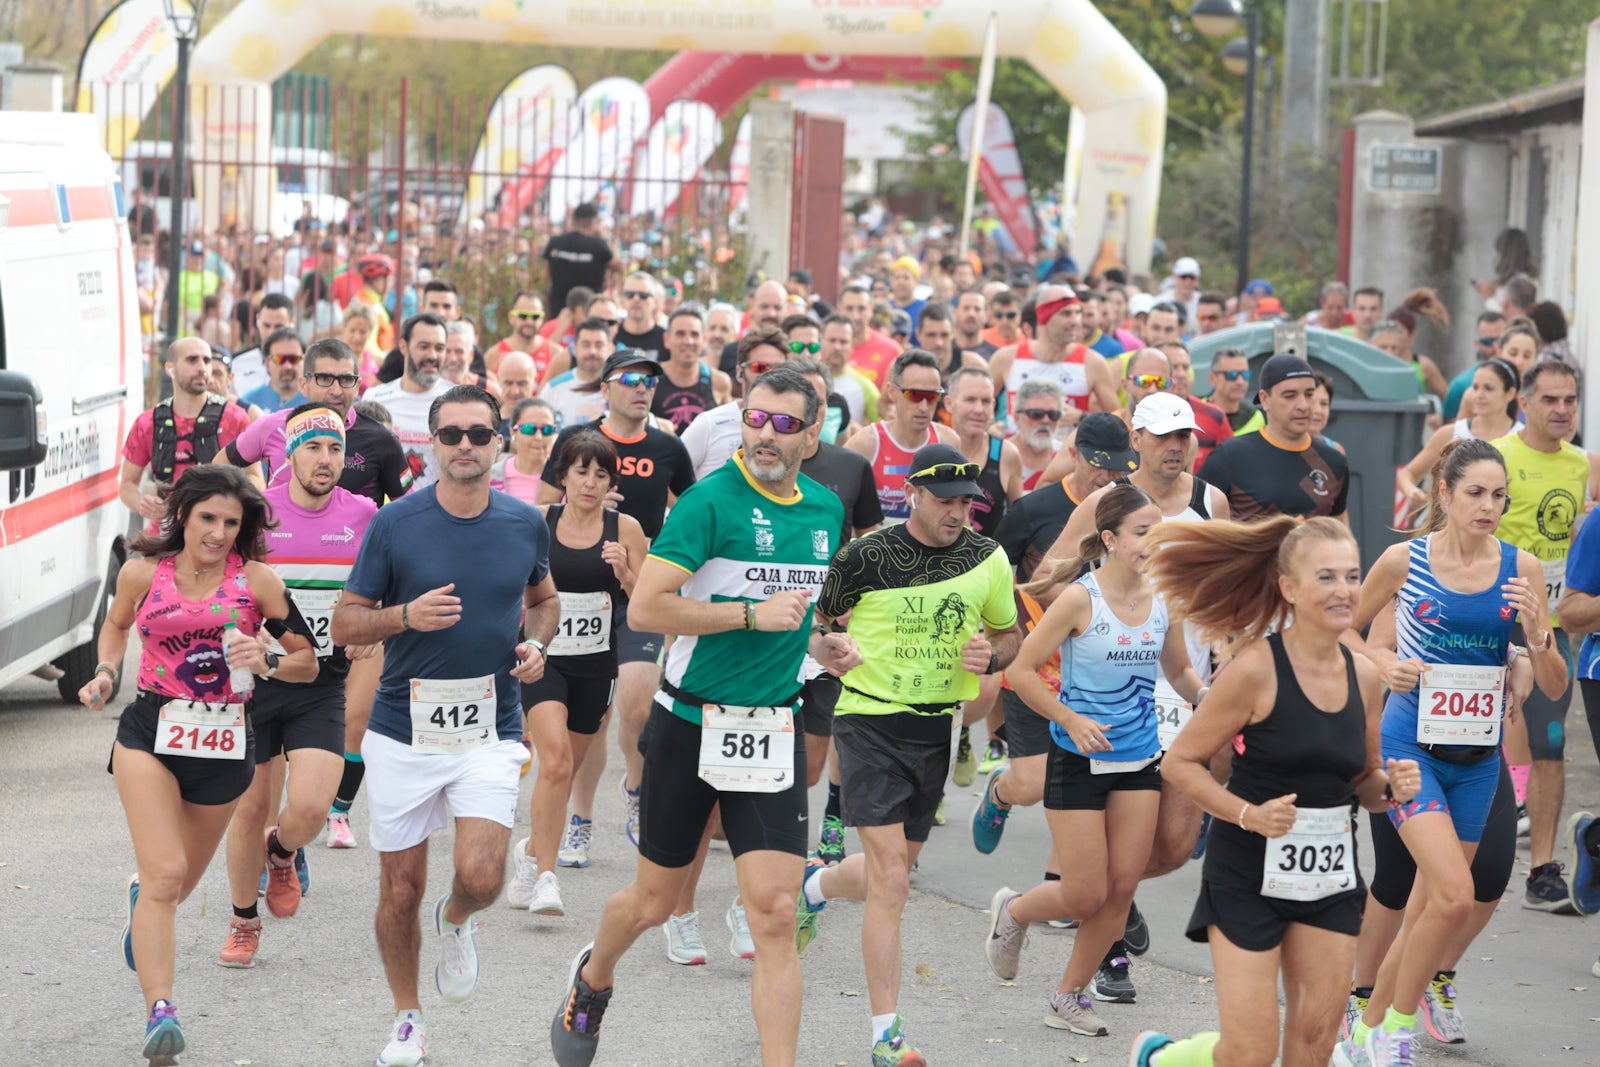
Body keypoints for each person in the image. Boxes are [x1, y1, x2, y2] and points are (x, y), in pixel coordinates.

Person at [550, 367, 846, 1067]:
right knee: (654, 900)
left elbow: (795, 614)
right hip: (689, 722)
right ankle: (594, 973)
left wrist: (821, 642)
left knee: (774, 912)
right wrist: (748, 614)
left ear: (812, 430)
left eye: (783, 422)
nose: (765, 433)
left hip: (771, 724)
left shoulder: (825, 510)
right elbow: (650, 607)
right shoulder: (710, 502)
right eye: (755, 417)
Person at [1128, 516, 1421, 1067]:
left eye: (1352, 576)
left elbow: (1365, 780)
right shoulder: (1254, 670)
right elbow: (1182, 764)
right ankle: (1165, 1059)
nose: (1345, 590)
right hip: (1246, 876)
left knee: (1312, 1045)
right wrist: (1247, 814)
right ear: (1289, 587)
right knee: (1251, 1052)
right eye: (1327, 577)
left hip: (1329, 877)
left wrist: (1393, 789)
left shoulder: (1363, 675)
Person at [331, 383, 560, 1067]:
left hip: (489, 727)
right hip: (403, 729)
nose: (465, 445)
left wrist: (537, 644)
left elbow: (543, 600)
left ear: (500, 442)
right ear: (430, 443)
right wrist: (404, 615)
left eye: (478, 434)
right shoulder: (395, 523)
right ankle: (408, 1020)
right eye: (451, 433)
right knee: (399, 887)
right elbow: (346, 622)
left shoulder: (524, 522)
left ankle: (457, 917)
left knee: (483, 874)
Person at [1330, 438, 1565, 1067]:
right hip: (1413, 753)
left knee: (1430, 909)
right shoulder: (1406, 560)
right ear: (1444, 494)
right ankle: (1397, 1032)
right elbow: (1343, 624)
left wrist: (1538, 634)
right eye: (1475, 493)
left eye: (1498, 495)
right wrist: (1383, 660)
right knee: (1455, 897)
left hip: (1477, 761)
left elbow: (1553, 686)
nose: (1489, 506)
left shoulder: (1523, 569)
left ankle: (1365, 1031)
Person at [77, 465, 318, 1065]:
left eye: (231, 522)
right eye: (208, 517)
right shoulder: (141, 573)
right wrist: (107, 673)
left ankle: (145, 903)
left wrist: (264, 659)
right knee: (164, 876)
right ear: (182, 514)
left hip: (224, 743)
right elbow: (115, 625)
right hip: (151, 732)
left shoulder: (258, 582)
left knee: (176, 886)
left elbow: (308, 662)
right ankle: (162, 1012)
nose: (218, 532)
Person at [802, 443, 1023, 1066]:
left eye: (967, 503)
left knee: (883, 875)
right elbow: (816, 624)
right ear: (916, 495)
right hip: (869, 721)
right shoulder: (866, 555)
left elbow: (1009, 633)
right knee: (893, 880)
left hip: (937, 729)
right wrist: (829, 647)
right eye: (947, 501)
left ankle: (814, 887)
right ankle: (885, 1035)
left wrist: (994, 657)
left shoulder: (987, 557)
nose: (959, 513)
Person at [983, 485, 1206, 1039]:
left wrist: (1212, 701)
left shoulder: (1164, 597)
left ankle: (1068, 997)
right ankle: (1015, 912)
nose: (1154, 541)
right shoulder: (1081, 599)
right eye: (1142, 532)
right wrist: (1072, 720)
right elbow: (1022, 672)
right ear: (1109, 539)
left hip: (1138, 760)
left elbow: (1178, 672)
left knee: (1121, 888)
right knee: (1083, 892)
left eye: (1160, 530)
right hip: (1077, 759)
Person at [218, 406, 379, 967]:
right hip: (253, 681)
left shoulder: (363, 513)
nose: (325, 460)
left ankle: (282, 851)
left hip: (320, 681)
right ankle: (243, 922)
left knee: (310, 807)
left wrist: (371, 626)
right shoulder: (258, 515)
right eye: (313, 448)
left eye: (334, 450)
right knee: (249, 807)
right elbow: (227, 581)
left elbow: (380, 582)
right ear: (289, 454)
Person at [539, 349, 696, 860]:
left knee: (638, 693)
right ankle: (580, 819)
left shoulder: (668, 447)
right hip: (578, 593)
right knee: (592, 719)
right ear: (605, 386)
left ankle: (634, 787)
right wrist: (585, 509)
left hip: (636, 589)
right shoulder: (576, 442)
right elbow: (544, 504)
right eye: (629, 378)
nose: (641, 387)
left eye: (650, 379)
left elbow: (692, 512)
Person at [506, 431, 647, 917]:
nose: (590, 482)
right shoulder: (537, 522)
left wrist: (626, 572)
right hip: (544, 658)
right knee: (558, 762)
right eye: (581, 471)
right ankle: (547, 877)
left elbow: (645, 603)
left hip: (596, 665)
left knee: (560, 774)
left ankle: (529, 852)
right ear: (562, 476)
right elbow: (513, 589)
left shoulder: (625, 528)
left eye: (600, 474)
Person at [1493, 358, 1587, 912]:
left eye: (1570, 400)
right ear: (1524, 402)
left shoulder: (1580, 465)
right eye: (1550, 399)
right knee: (1485, 740)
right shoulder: (1499, 458)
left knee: (1552, 745)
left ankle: (1543, 869)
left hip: (1550, 628)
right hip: (1491, 626)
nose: (1561, 410)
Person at [119, 338, 254, 535]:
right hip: (166, 535)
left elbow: (257, 478)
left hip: (219, 536)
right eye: (192, 360)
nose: (202, 368)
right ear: (170, 369)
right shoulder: (148, 422)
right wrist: (142, 502)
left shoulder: (235, 418)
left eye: (206, 361)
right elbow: (127, 485)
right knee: (132, 567)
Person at [1199, 355, 1350, 524]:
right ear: (1265, 399)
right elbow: (1195, 526)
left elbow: (1340, 534)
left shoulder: (1334, 461)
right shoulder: (1230, 456)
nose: (1303, 405)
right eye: (1290, 396)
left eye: (1309, 394)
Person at [843, 349, 961, 523]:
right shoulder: (866, 443)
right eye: (914, 395)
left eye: (932, 396)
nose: (923, 406)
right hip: (878, 548)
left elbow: (957, 510)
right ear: (891, 392)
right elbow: (839, 508)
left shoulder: (948, 442)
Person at [1395, 359, 1520, 514]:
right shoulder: (1450, 433)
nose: (1479, 395)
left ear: (1510, 393)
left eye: (1488, 388)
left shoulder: (1524, 436)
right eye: (1475, 387)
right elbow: (1408, 474)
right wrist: (1412, 491)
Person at [989, 286, 1119, 428]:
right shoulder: (1006, 359)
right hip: (1016, 449)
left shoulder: (1093, 362)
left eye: (1077, 313)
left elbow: (1118, 422)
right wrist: (991, 430)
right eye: (1066, 314)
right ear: (1045, 317)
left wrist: (1083, 418)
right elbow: (977, 406)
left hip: (1069, 449)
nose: (1075, 321)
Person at [680, 328, 792, 479]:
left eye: (778, 368)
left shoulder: (794, 426)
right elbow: (668, 475)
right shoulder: (710, 423)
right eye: (759, 367)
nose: (769, 375)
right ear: (740, 372)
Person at [364, 313, 452, 489]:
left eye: (440, 348)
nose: (432, 355)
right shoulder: (374, 398)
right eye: (424, 346)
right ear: (403, 347)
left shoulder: (458, 401)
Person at [947, 366, 1023, 537]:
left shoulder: (1006, 455)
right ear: (949, 404)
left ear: (994, 405)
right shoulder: (932, 447)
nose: (979, 409)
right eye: (970, 400)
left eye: (986, 401)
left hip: (988, 560)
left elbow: (1021, 523)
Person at [653, 305, 732, 432]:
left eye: (695, 334)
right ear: (667, 339)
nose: (688, 341)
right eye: (680, 334)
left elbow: (728, 429)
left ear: (704, 340)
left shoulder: (719, 381)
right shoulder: (651, 379)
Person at [1158, 340, 1231, 470]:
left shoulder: (1215, 416)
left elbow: (1232, 468)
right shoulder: (1141, 416)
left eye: (1185, 367)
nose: (1181, 374)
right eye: (1174, 367)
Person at [541, 317, 613, 431]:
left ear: (610, 349)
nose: (592, 351)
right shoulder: (553, 388)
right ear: (574, 349)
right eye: (586, 345)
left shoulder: (618, 387)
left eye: (599, 345)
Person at [544, 202, 617, 311]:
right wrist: (606, 236)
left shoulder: (555, 243)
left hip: (559, 308)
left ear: (573, 221)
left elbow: (546, 275)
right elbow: (618, 265)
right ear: (593, 223)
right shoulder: (598, 245)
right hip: (590, 309)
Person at [490, 397, 558, 505]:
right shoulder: (491, 476)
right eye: (529, 429)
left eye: (547, 429)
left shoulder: (564, 480)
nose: (538, 437)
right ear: (513, 432)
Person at [1441, 311, 1507, 421]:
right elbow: (1452, 432)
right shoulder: (1460, 385)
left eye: (1500, 340)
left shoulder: (1523, 380)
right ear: (1478, 343)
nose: (1495, 347)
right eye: (1487, 341)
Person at [231, 292, 298, 398]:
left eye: (278, 326)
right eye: (266, 325)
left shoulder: (305, 364)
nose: (271, 332)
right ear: (258, 320)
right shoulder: (236, 362)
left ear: (292, 323)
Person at [821, 312, 882, 427]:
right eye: (832, 340)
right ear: (821, 341)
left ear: (852, 344)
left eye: (843, 342)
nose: (837, 347)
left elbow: (881, 432)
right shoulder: (807, 380)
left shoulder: (866, 387)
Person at [1009, 378, 1071, 489]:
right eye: (1036, 414)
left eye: (1053, 414)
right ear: (1017, 418)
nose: (1046, 420)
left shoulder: (1067, 458)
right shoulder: (1000, 455)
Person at [1205, 348, 1263, 436]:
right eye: (1232, 375)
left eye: (1245, 374)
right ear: (1213, 378)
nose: (1240, 381)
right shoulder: (1197, 413)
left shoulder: (1256, 418)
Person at [615, 272, 667, 358]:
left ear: (655, 302)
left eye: (643, 295)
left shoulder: (666, 340)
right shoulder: (612, 335)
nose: (636, 299)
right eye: (630, 295)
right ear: (622, 300)